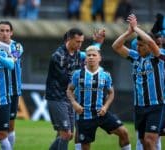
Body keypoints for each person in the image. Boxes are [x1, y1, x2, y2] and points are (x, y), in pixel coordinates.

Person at [112, 14, 165, 150]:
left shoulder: (158, 56)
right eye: (137, 45)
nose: (137, 48)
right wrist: (128, 32)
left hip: (156, 106)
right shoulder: (135, 57)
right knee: (143, 142)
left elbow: (153, 43)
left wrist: (136, 28)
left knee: (150, 140)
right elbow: (116, 46)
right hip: (139, 107)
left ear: (148, 46)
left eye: (141, 45)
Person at [66, 45, 131, 150]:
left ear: (99, 58)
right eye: (89, 55)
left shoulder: (105, 75)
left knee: (123, 132)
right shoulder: (77, 74)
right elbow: (69, 90)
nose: (91, 57)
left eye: (94, 55)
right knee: (85, 147)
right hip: (84, 116)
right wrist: (74, 103)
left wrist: (105, 107)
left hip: (101, 114)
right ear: (85, 58)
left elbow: (111, 93)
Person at [0, 21, 24, 149]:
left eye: (7, 31)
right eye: (2, 30)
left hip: (13, 91)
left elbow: (13, 59)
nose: (4, 33)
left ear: (11, 32)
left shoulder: (17, 46)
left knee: (10, 126)